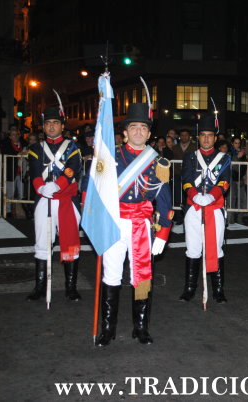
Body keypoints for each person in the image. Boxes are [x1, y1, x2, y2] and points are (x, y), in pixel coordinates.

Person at [96, 103, 173, 346]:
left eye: (143, 128)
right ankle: (108, 329)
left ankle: (140, 327)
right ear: (125, 133)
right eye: (134, 127)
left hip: (142, 224)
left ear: (149, 134)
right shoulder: (109, 157)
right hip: (114, 222)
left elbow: (165, 201)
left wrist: (163, 234)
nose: (139, 131)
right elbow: (95, 193)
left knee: (141, 277)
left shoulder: (158, 162)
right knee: (112, 275)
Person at [26, 105, 82, 302]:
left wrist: (56, 186)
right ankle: (40, 286)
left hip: (67, 200)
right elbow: (34, 171)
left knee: (70, 243)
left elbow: (72, 170)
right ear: (43, 126)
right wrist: (41, 188)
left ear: (62, 125)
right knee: (42, 242)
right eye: (48, 123)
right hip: (44, 200)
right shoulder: (34, 149)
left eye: (55, 123)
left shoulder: (73, 148)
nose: (51, 127)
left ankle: (71, 288)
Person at [180, 115, 231, 304]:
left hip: (215, 207)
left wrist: (211, 196)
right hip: (193, 208)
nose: (207, 139)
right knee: (192, 249)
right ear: (198, 137)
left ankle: (218, 290)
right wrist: (195, 196)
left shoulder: (224, 158)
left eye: (210, 135)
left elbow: (225, 181)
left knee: (216, 249)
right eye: (203, 135)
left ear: (215, 138)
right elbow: (185, 181)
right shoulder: (190, 158)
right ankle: (190, 289)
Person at [1, 125, 27, 216]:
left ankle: (23, 211)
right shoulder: (6, 145)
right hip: (10, 172)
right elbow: (7, 154)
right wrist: (18, 153)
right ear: (10, 136)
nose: (15, 136)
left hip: (21, 173)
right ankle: (7, 211)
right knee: (9, 194)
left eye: (16, 134)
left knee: (22, 193)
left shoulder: (24, 144)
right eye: (13, 135)